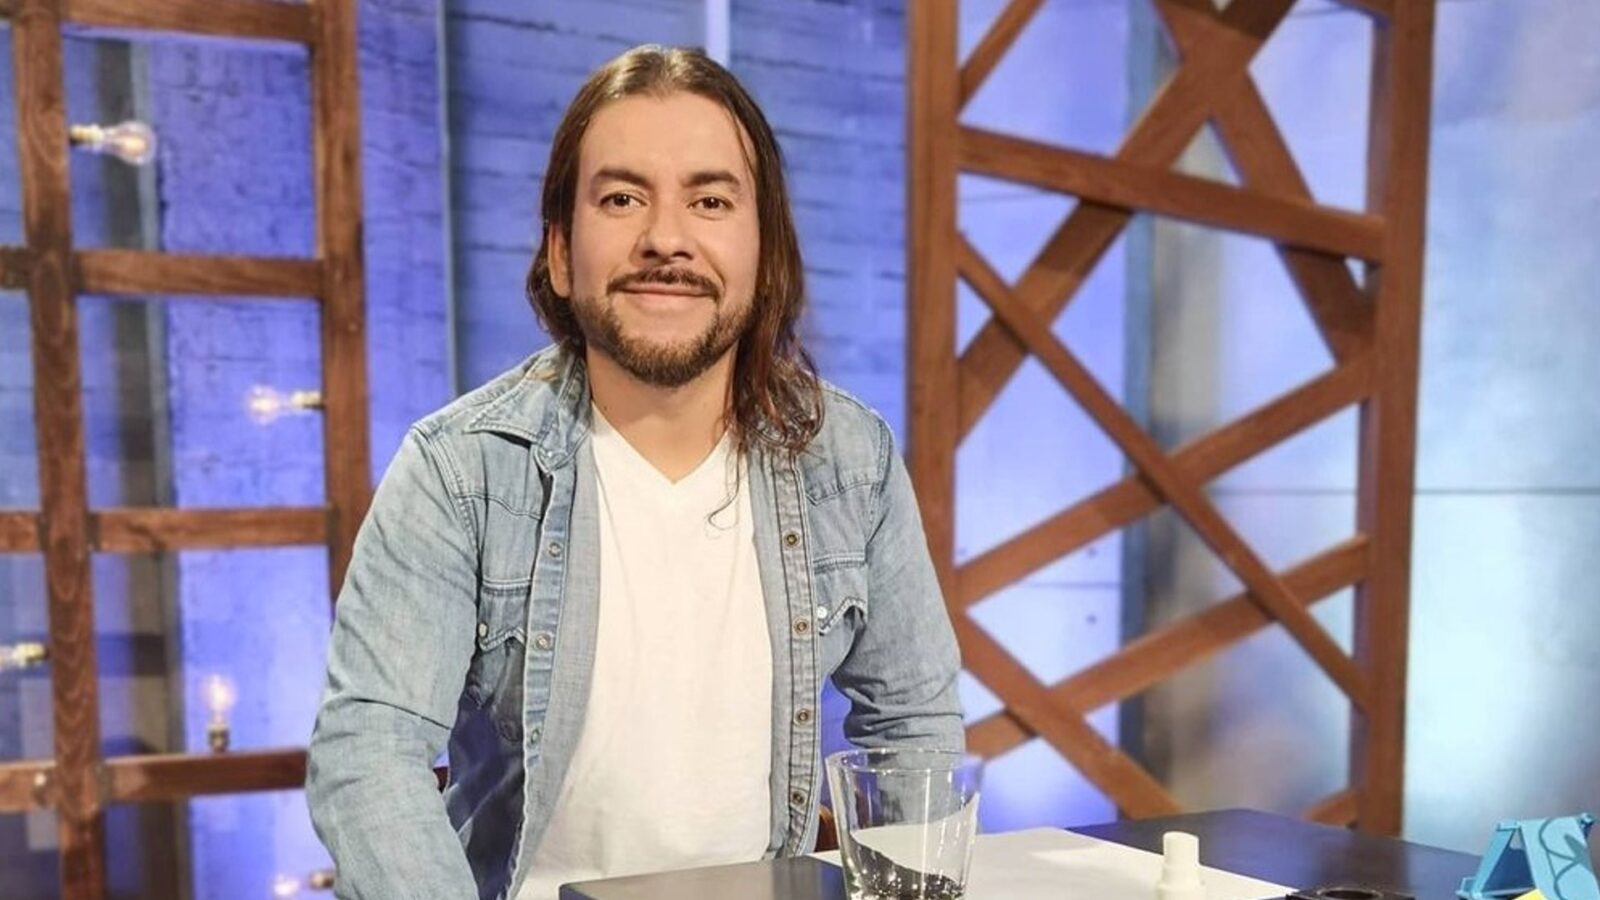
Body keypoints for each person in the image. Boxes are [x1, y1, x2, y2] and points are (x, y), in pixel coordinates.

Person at [306, 44, 962, 900]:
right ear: (561, 252)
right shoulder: (459, 471)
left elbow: (913, 727)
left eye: (710, 200)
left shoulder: (850, 459)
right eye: (621, 198)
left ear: (764, 252)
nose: (666, 239)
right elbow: (369, 751)